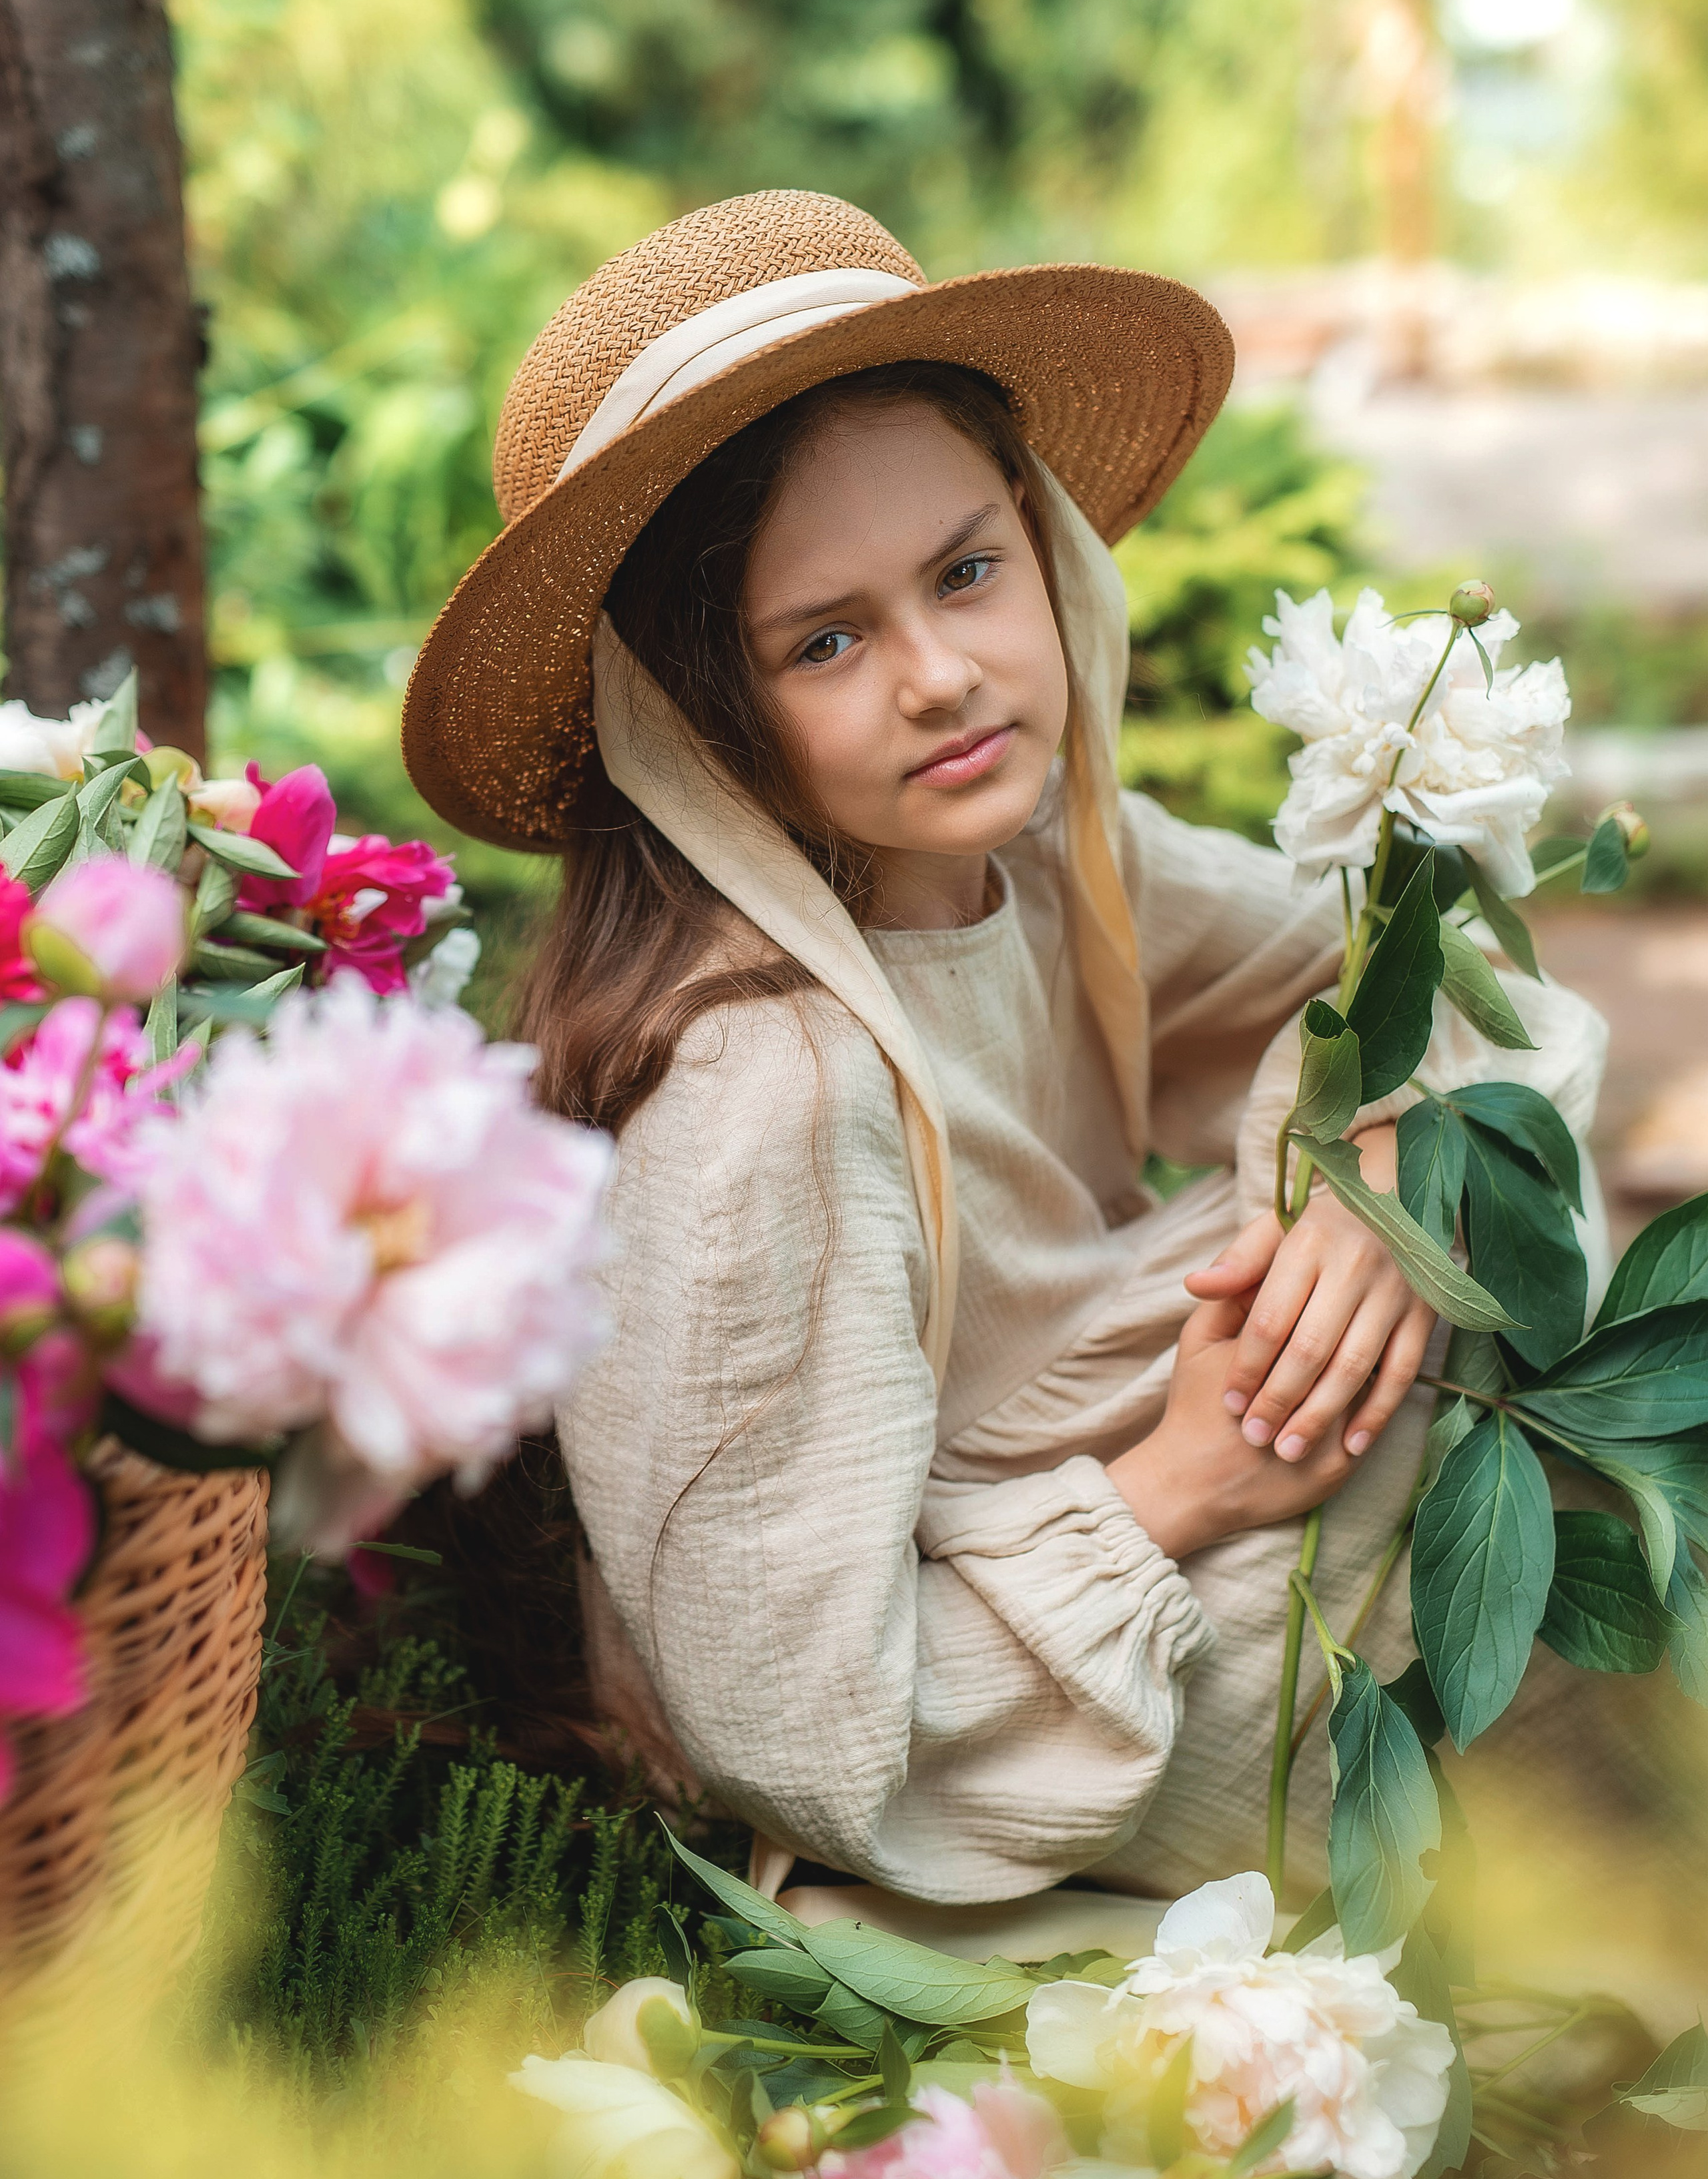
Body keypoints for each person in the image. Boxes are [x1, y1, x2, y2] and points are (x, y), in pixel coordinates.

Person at [403, 189, 1607, 1925]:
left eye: (966, 571)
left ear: (1040, 545)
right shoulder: (767, 1086)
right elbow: (794, 1722)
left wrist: (1398, 1165)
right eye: (824, 639)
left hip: (1136, 1487)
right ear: (699, 713)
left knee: (1516, 1297)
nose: (941, 676)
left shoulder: (1038, 858)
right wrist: (1185, 1479)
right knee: (1547, 1519)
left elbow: (1444, 969)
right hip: (1023, 1679)